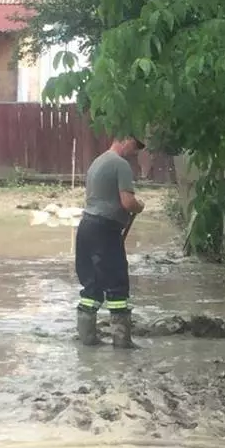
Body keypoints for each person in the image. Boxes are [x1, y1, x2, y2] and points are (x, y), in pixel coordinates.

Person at [76, 137, 146, 348]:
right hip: (106, 230)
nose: (135, 152)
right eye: (135, 146)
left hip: (86, 226)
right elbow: (127, 202)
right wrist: (139, 205)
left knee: (92, 284)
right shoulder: (120, 164)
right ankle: (122, 343)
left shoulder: (97, 162)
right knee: (117, 285)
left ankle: (87, 340)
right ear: (125, 139)